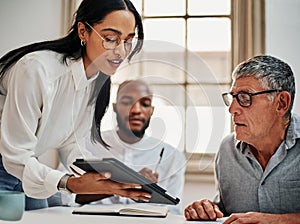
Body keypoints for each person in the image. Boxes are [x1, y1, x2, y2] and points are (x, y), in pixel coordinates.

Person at [0, 0, 152, 211]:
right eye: (110, 39)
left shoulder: (96, 80)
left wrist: (108, 176)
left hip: (27, 164)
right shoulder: (35, 69)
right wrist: (70, 183)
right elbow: (14, 156)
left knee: (50, 212)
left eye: (128, 40)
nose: (121, 51)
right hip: (10, 163)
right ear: (83, 31)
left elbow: (72, 143)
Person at [184, 55, 300, 223]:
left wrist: (274, 220)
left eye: (245, 98)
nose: (232, 109)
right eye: (233, 97)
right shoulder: (227, 150)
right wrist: (208, 209)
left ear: (281, 103)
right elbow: (226, 211)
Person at [77, 79, 186, 214]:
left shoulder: (173, 157)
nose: (136, 110)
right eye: (127, 102)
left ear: (151, 111)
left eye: (144, 104)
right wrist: (130, 182)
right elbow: (64, 197)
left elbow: (174, 211)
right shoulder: (88, 145)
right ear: (115, 107)